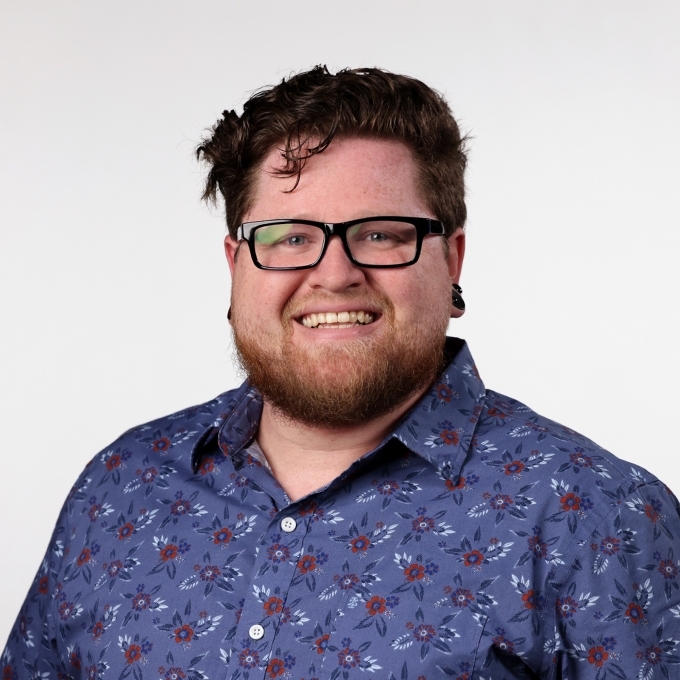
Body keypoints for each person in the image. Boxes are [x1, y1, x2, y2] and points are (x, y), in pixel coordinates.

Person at [3, 66, 679, 680]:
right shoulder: (120, 488)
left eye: (381, 233)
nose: (334, 273)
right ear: (235, 264)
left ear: (452, 262)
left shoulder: (595, 515)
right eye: (290, 237)